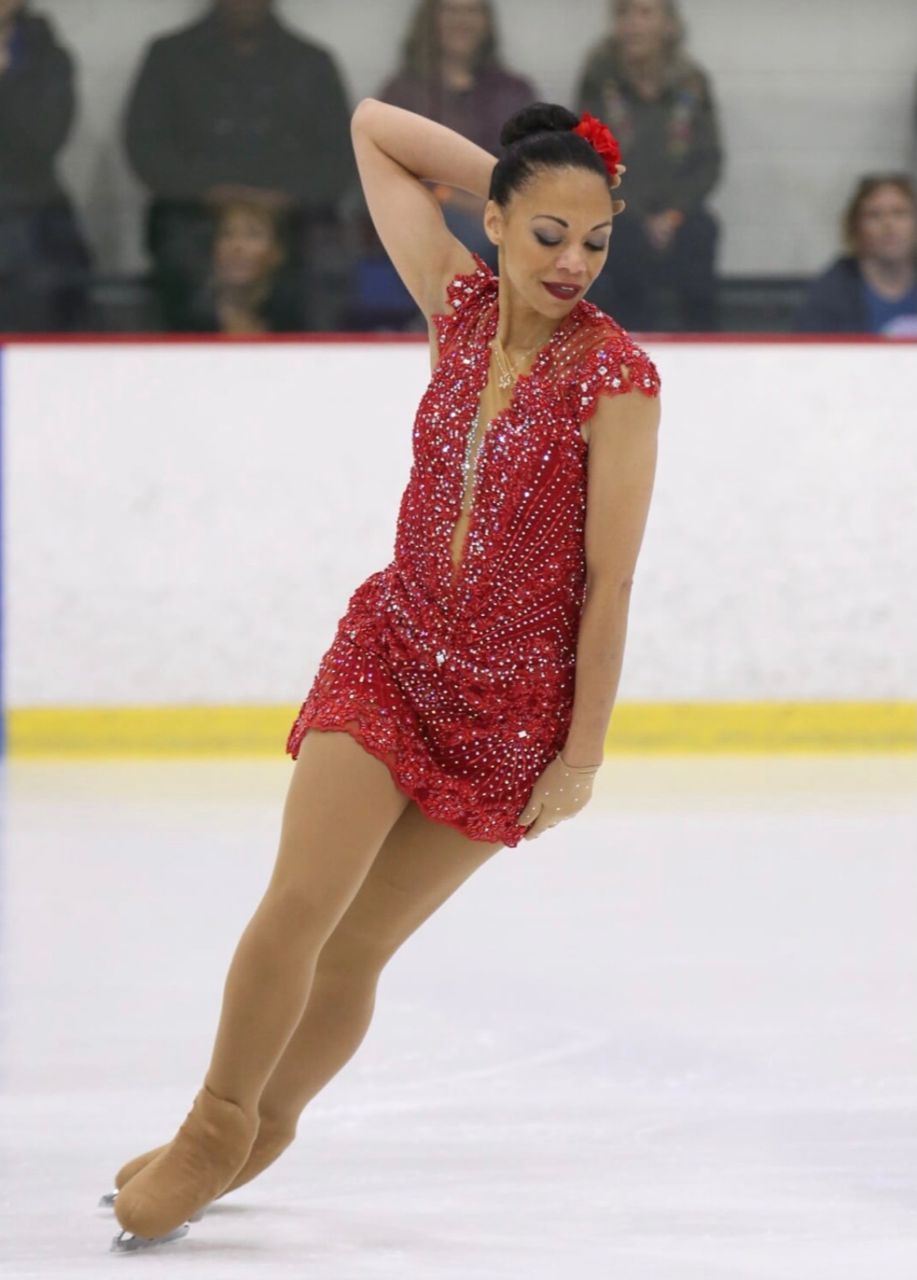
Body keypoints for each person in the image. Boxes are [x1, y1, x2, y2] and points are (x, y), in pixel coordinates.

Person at [103, 97, 661, 1252]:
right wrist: (528, 180)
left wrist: (583, 751)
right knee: (300, 904)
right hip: (392, 655)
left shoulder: (617, 377)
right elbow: (369, 125)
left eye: (596, 238)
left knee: (359, 946)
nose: (573, 261)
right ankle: (211, 1125)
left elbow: (609, 581)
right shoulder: (454, 308)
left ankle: (267, 1119)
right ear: (495, 221)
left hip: (509, 715)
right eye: (547, 233)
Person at [123, 0, 353, 331]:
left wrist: (284, 199)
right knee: (179, 256)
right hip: (195, 214)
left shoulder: (311, 62)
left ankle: (313, 365)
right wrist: (209, 192)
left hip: (292, 219)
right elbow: (146, 149)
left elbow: (338, 160)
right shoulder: (170, 56)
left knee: (324, 263)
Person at [575, 0, 722, 331]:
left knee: (702, 233)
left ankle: (703, 343)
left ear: (669, 24)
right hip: (619, 208)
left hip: (678, 211)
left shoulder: (691, 82)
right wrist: (639, 214)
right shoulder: (599, 77)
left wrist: (672, 214)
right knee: (617, 240)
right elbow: (590, 153)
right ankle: (626, 347)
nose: (633, 24)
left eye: (645, 13)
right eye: (624, 14)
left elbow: (708, 160)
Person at [378, 0, 537, 270]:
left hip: (507, 209)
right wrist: (453, 198)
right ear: (430, 20)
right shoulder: (403, 92)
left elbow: (536, 164)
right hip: (433, 216)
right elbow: (389, 174)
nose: (461, 21)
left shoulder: (514, 91)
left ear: (486, 22)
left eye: (471, 11)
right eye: (451, 10)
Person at [0, 0, 91, 331]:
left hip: (30, 208)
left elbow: (44, 140)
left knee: (35, 264)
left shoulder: (49, 58)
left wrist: (6, 79)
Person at [796, 174, 917, 337]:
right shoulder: (830, 292)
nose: (889, 225)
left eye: (900, 213)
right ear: (855, 226)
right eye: (875, 215)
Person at [181, 198, 306, 333]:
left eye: (253, 234)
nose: (237, 246)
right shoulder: (188, 318)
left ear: (277, 253)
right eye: (227, 233)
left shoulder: (296, 320)